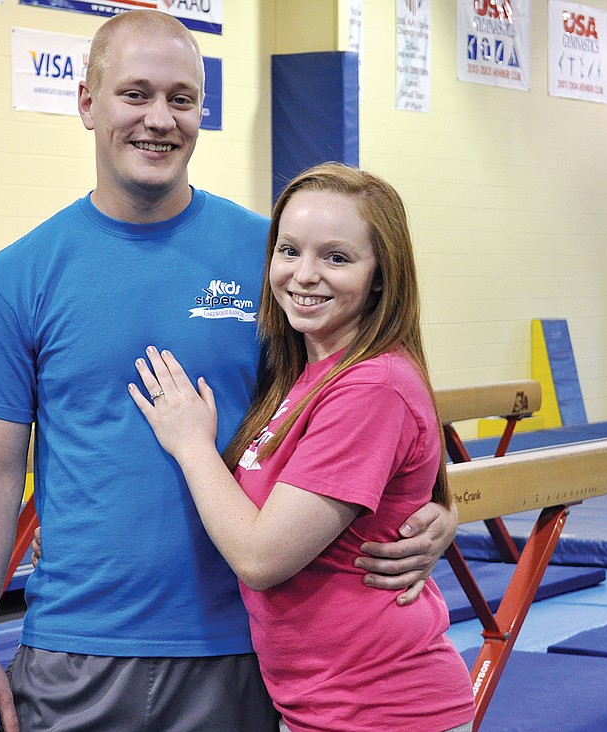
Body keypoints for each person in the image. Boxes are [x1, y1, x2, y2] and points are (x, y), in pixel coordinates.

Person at [0, 10, 458, 732]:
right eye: (136, 94)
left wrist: (439, 508)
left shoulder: (274, 258)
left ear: (202, 112)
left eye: (181, 99)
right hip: (77, 645)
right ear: (87, 103)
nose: (159, 119)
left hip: (240, 647)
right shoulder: (18, 276)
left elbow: (362, 391)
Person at [129, 163, 476, 732]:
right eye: (289, 250)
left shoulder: (372, 385)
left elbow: (261, 558)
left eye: (336, 258)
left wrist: (192, 445)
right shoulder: (306, 372)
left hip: (382, 709)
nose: (304, 275)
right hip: (322, 705)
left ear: (381, 275)